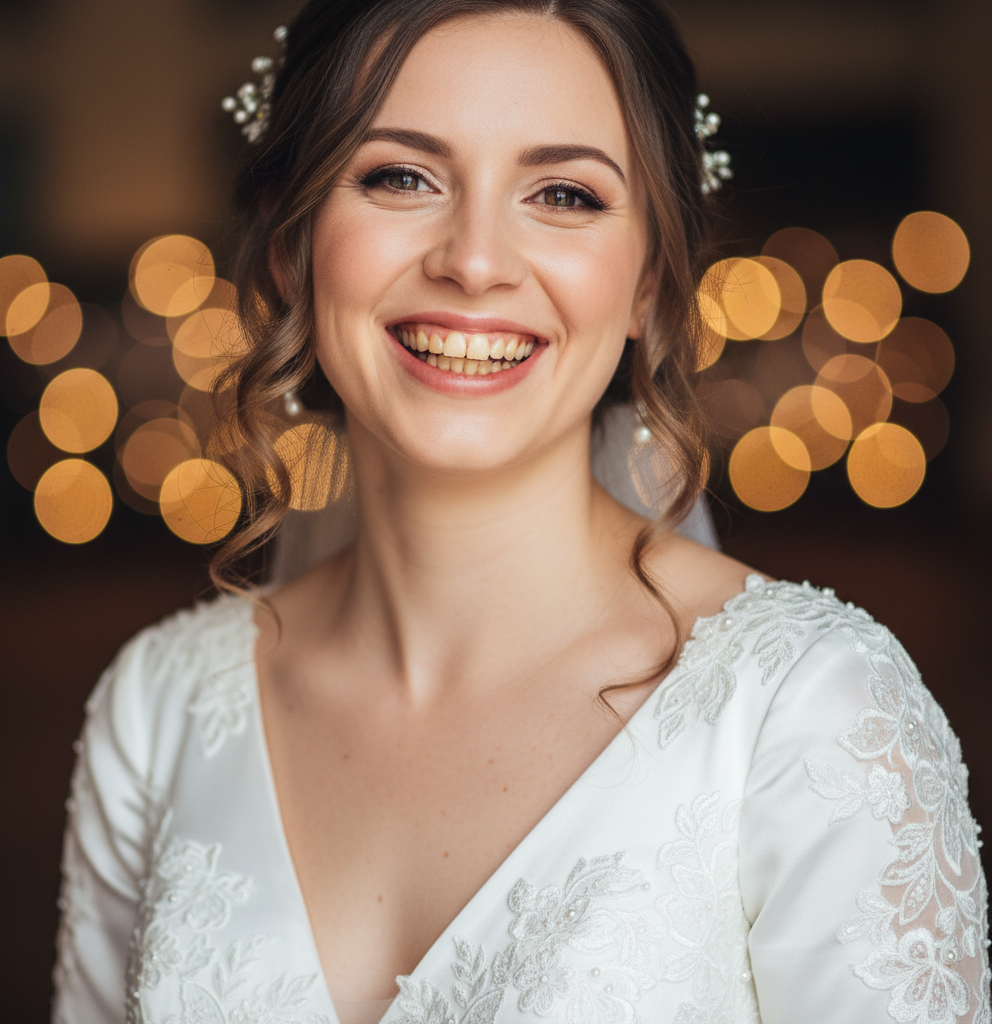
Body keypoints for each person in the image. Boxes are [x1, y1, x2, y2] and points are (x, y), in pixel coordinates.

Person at [52, 1, 990, 1021]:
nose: (476, 260)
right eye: (399, 176)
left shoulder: (808, 714)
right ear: (289, 245)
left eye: (563, 193)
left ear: (651, 284)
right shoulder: (155, 710)